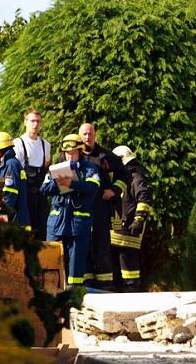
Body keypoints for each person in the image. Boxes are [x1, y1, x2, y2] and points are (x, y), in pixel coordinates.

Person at [41, 134, 100, 287]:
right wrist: (57, 182)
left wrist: (72, 184)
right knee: (50, 257)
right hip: (56, 222)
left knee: (76, 263)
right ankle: (51, 290)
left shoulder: (90, 169)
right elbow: (44, 189)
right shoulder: (55, 168)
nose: (70, 155)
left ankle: (74, 294)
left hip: (78, 224)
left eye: (73, 152)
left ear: (80, 152)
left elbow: (93, 187)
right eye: (67, 153)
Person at [79, 122, 129, 289]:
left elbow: (125, 174)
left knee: (101, 247)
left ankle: (105, 286)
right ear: (80, 136)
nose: (88, 137)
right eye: (84, 134)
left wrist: (114, 190)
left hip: (100, 208)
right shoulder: (73, 155)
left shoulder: (106, 156)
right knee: (82, 246)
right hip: (79, 208)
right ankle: (86, 284)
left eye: (90, 133)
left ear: (95, 135)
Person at [109, 145, 153, 292]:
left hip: (130, 229)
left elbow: (144, 199)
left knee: (128, 262)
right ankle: (124, 290)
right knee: (120, 261)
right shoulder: (124, 177)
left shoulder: (135, 177)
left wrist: (138, 220)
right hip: (120, 229)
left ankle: (131, 290)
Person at [13, 109, 52, 241]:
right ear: (25, 122)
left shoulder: (46, 145)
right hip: (25, 194)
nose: (35, 124)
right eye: (32, 121)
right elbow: (16, 171)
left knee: (42, 229)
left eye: (38, 121)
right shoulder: (18, 143)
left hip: (41, 195)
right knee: (25, 230)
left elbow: (46, 168)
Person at [0, 131, 30, 229]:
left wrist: (0, 213)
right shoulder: (9, 164)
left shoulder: (11, 164)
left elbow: (10, 193)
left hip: (15, 222)